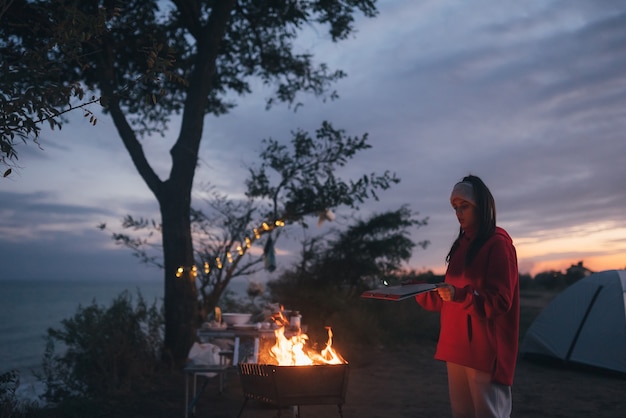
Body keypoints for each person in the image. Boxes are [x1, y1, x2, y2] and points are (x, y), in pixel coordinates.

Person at [415, 174, 519, 418]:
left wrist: (459, 295)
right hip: (457, 346)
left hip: (484, 350)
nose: (459, 213)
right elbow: (451, 295)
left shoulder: (498, 244)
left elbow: (500, 300)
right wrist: (418, 290)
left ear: (481, 206)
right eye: (455, 208)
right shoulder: (463, 245)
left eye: (464, 206)